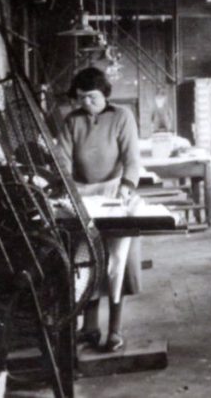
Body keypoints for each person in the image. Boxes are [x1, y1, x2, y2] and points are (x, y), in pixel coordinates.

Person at [56, 67, 142, 353]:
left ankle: (115, 330)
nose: (86, 103)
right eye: (80, 98)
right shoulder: (71, 121)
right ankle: (90, 328)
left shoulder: (122, 117)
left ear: (105, 94)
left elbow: (132, 158)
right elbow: (63, 161)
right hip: (82, 194)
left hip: (115, 191)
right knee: (85, 260)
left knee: (118, 261)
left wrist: (127, 187)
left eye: (91, 97)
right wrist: (66, 189)